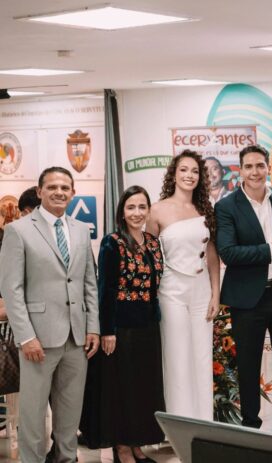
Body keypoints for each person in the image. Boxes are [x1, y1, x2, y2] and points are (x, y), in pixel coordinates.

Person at [0, 166, 100, 463]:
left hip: (77, 338)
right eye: (52, 187)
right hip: (37, 339)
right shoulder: (18, 230)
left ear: (73, 193)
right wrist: (26, 336)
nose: (59, 192)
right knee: (32, 416)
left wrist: (93, 327)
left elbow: (89, 282)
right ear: (40, 191)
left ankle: (66, 459)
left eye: (65, 188)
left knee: (70, 413)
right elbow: (12, 289)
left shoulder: (81, 230)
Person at [215, 144, 272, 435]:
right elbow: (229, 253)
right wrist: (271, 248)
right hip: (247, 298)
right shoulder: (226, 207)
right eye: (249, 166)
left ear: (268, 168)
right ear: (240, 170)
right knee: (249, 364)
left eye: (260, 165)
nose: (255, 172)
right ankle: (250, 423)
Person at [80, 186, 165, 463]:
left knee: (142, 388)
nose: (137, 213)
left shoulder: (153, 243)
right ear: (122, 212)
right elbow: (105, 289)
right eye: (131, 207)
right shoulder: (112, 242)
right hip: (121, 329)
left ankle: (137, 443)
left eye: (142, 207)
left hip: (148, 327)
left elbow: (155, 284)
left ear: (148, 210)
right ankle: (122, 447)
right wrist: (107, 330)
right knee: (122, 390)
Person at [146, 150, 220, 421]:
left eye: (195, 171)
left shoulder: (205, 208)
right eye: (184, 170)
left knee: (202, 356)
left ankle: (204, 423)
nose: (190, 175)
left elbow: (212, 253)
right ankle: (179, 425)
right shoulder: (157, 210)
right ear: (174, 174)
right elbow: (148, 256)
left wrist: (215, 294)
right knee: (177, 357)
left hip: (202, 289)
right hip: (171, 290)